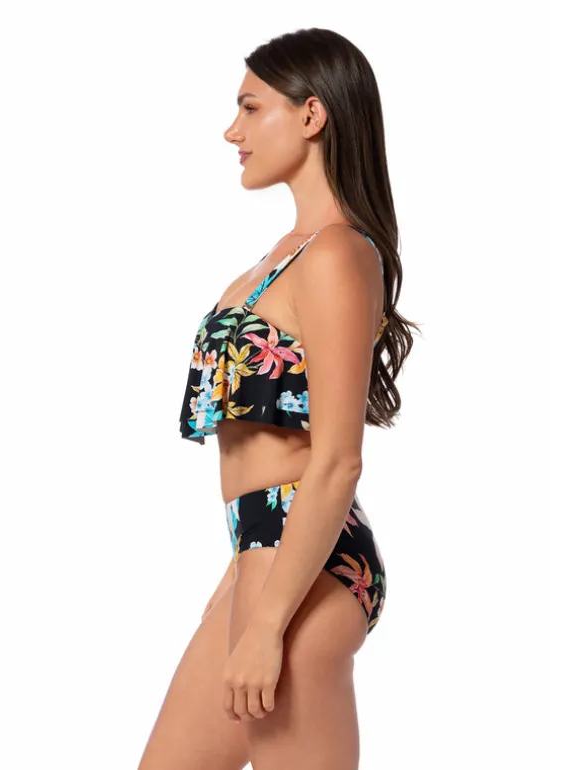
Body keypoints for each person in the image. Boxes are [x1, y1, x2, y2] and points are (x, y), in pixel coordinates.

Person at [138, 27, 420, 770]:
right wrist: (239, 576)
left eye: (250, 107)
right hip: (259, 551)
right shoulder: (286, 255)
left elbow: (336, 461)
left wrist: (265, 625)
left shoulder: (335, 254)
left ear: (311, 114)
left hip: (305, 558)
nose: (232, 131)